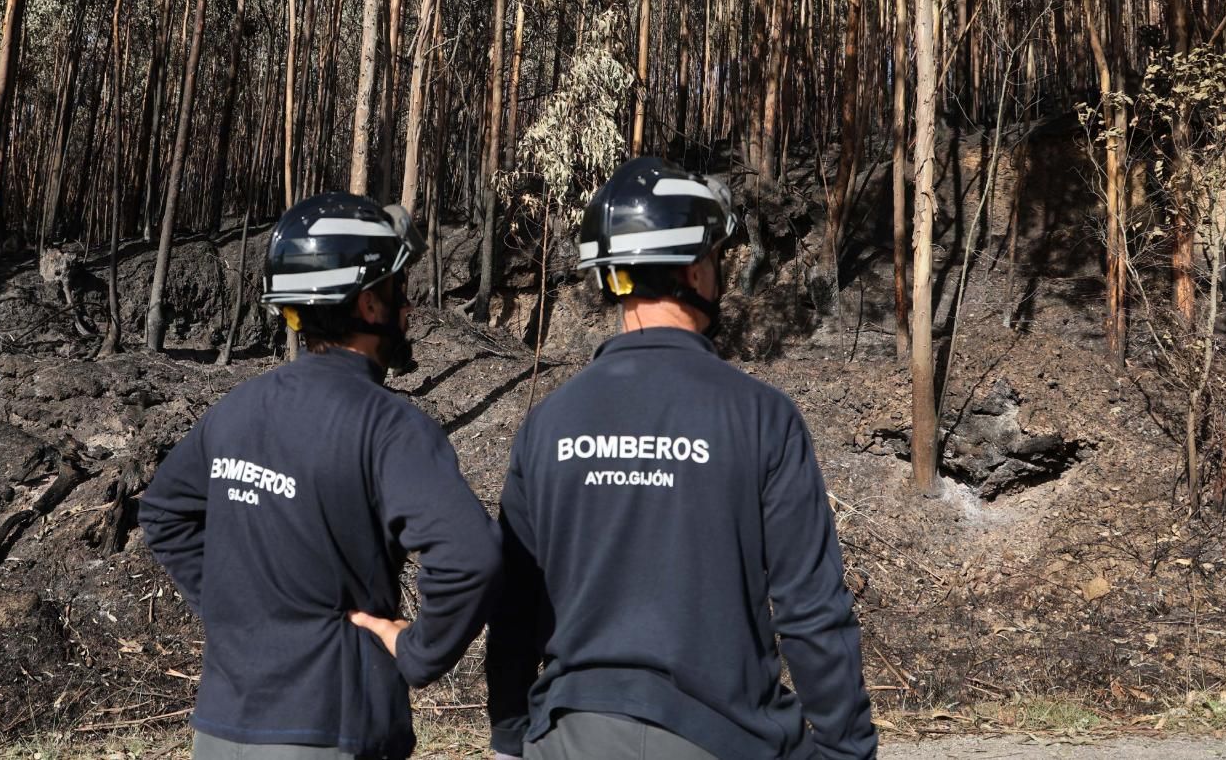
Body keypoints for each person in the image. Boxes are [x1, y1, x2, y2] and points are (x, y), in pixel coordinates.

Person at [485, 157, 877, 760]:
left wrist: (512, 732)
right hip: (722, 735)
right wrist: (847, 748)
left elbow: (515, 602)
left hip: (568, 736)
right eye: (717, 260)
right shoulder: (760, 417)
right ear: (695, 270)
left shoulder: (549, 423)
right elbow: (810, 608)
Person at [140, 193, 501, 760]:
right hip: (333, 729)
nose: (408, 309)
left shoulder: (236, 411)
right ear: (368, 306)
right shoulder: (389, 428)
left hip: (220, 731)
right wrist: (416, 651)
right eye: (398, 290)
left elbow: (163, 513)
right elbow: (471, 558)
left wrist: (232, 610)